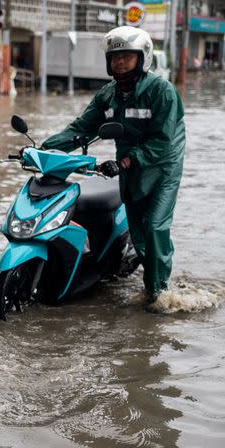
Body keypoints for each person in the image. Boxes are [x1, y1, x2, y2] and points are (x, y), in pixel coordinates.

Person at [41, 26, 186, 302]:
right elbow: (81, 129)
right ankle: (150, 284)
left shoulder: (162, 92)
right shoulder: (108, 95)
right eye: (115, 57)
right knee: (140, 233)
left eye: (126, 57)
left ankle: (160, 293)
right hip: (128, 167)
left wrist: (126, 161)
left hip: (162, 167)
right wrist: (43, 149)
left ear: (142, 57)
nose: (119, 62)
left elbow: (163, 141)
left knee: (155, 227)